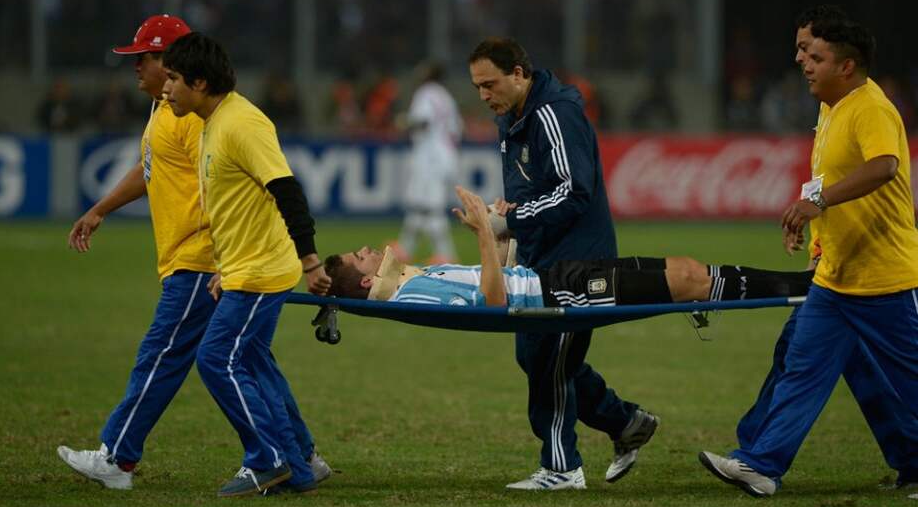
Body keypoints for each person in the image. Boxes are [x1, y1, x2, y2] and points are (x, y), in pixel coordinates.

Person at [56, 15, 331, 493]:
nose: (137, 68)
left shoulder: (201, 118)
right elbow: (152, 172)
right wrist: (100, 208)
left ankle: (118, 457)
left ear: (178, 65)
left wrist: (248, 259)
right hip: (221, 261)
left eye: (145, 58)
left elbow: (252, 188)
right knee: (250, 359)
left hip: (203, 260)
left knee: (173, 354)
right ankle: (301, 456)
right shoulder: (174, 112)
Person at [700, 16, 918, 497]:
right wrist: (818, 242)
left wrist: (815, 204)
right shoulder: (831, 107)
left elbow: (885, 166)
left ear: (847, 65)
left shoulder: (871, 108)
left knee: (908, 380)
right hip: (837, 278)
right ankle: (762, 465)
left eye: (814, 56)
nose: (802, 63)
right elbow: (830, 181)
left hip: (884, 278)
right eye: (802, 52)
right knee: (801, 367)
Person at [467, 36, 652, 491]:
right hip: (541, 260)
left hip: (579, 265)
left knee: (550, 360)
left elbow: (574, 190)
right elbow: (533, 190)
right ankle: (626, 422)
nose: (483, 95)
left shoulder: (554, 113)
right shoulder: (511, 118)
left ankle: (562, 467)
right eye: (477, 87)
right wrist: (509, 217)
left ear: (519, 74)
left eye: (490, 84)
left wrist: (509, 221)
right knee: (536, 356)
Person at [325, 187, 813, 311]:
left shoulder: (412, 280)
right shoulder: (413, 296)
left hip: (552, 276)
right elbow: (494, 304)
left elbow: (496, 283)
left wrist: (500, 236)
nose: (368, 248)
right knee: (688, 282)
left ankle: (805, 286)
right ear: (368, 281)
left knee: (686, 271)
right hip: (557, 295)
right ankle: (806, 288)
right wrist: (482, 234)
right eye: (359, 256)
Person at [392, 62, 463, 265]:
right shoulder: (446, 97)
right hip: (445, 154)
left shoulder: (425, 92)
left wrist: (404, 122)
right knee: (418, 205)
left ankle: (446, 256)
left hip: (430, 157)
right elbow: (457, 128)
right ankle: (405, 249)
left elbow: (423, 121)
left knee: (431, 208)